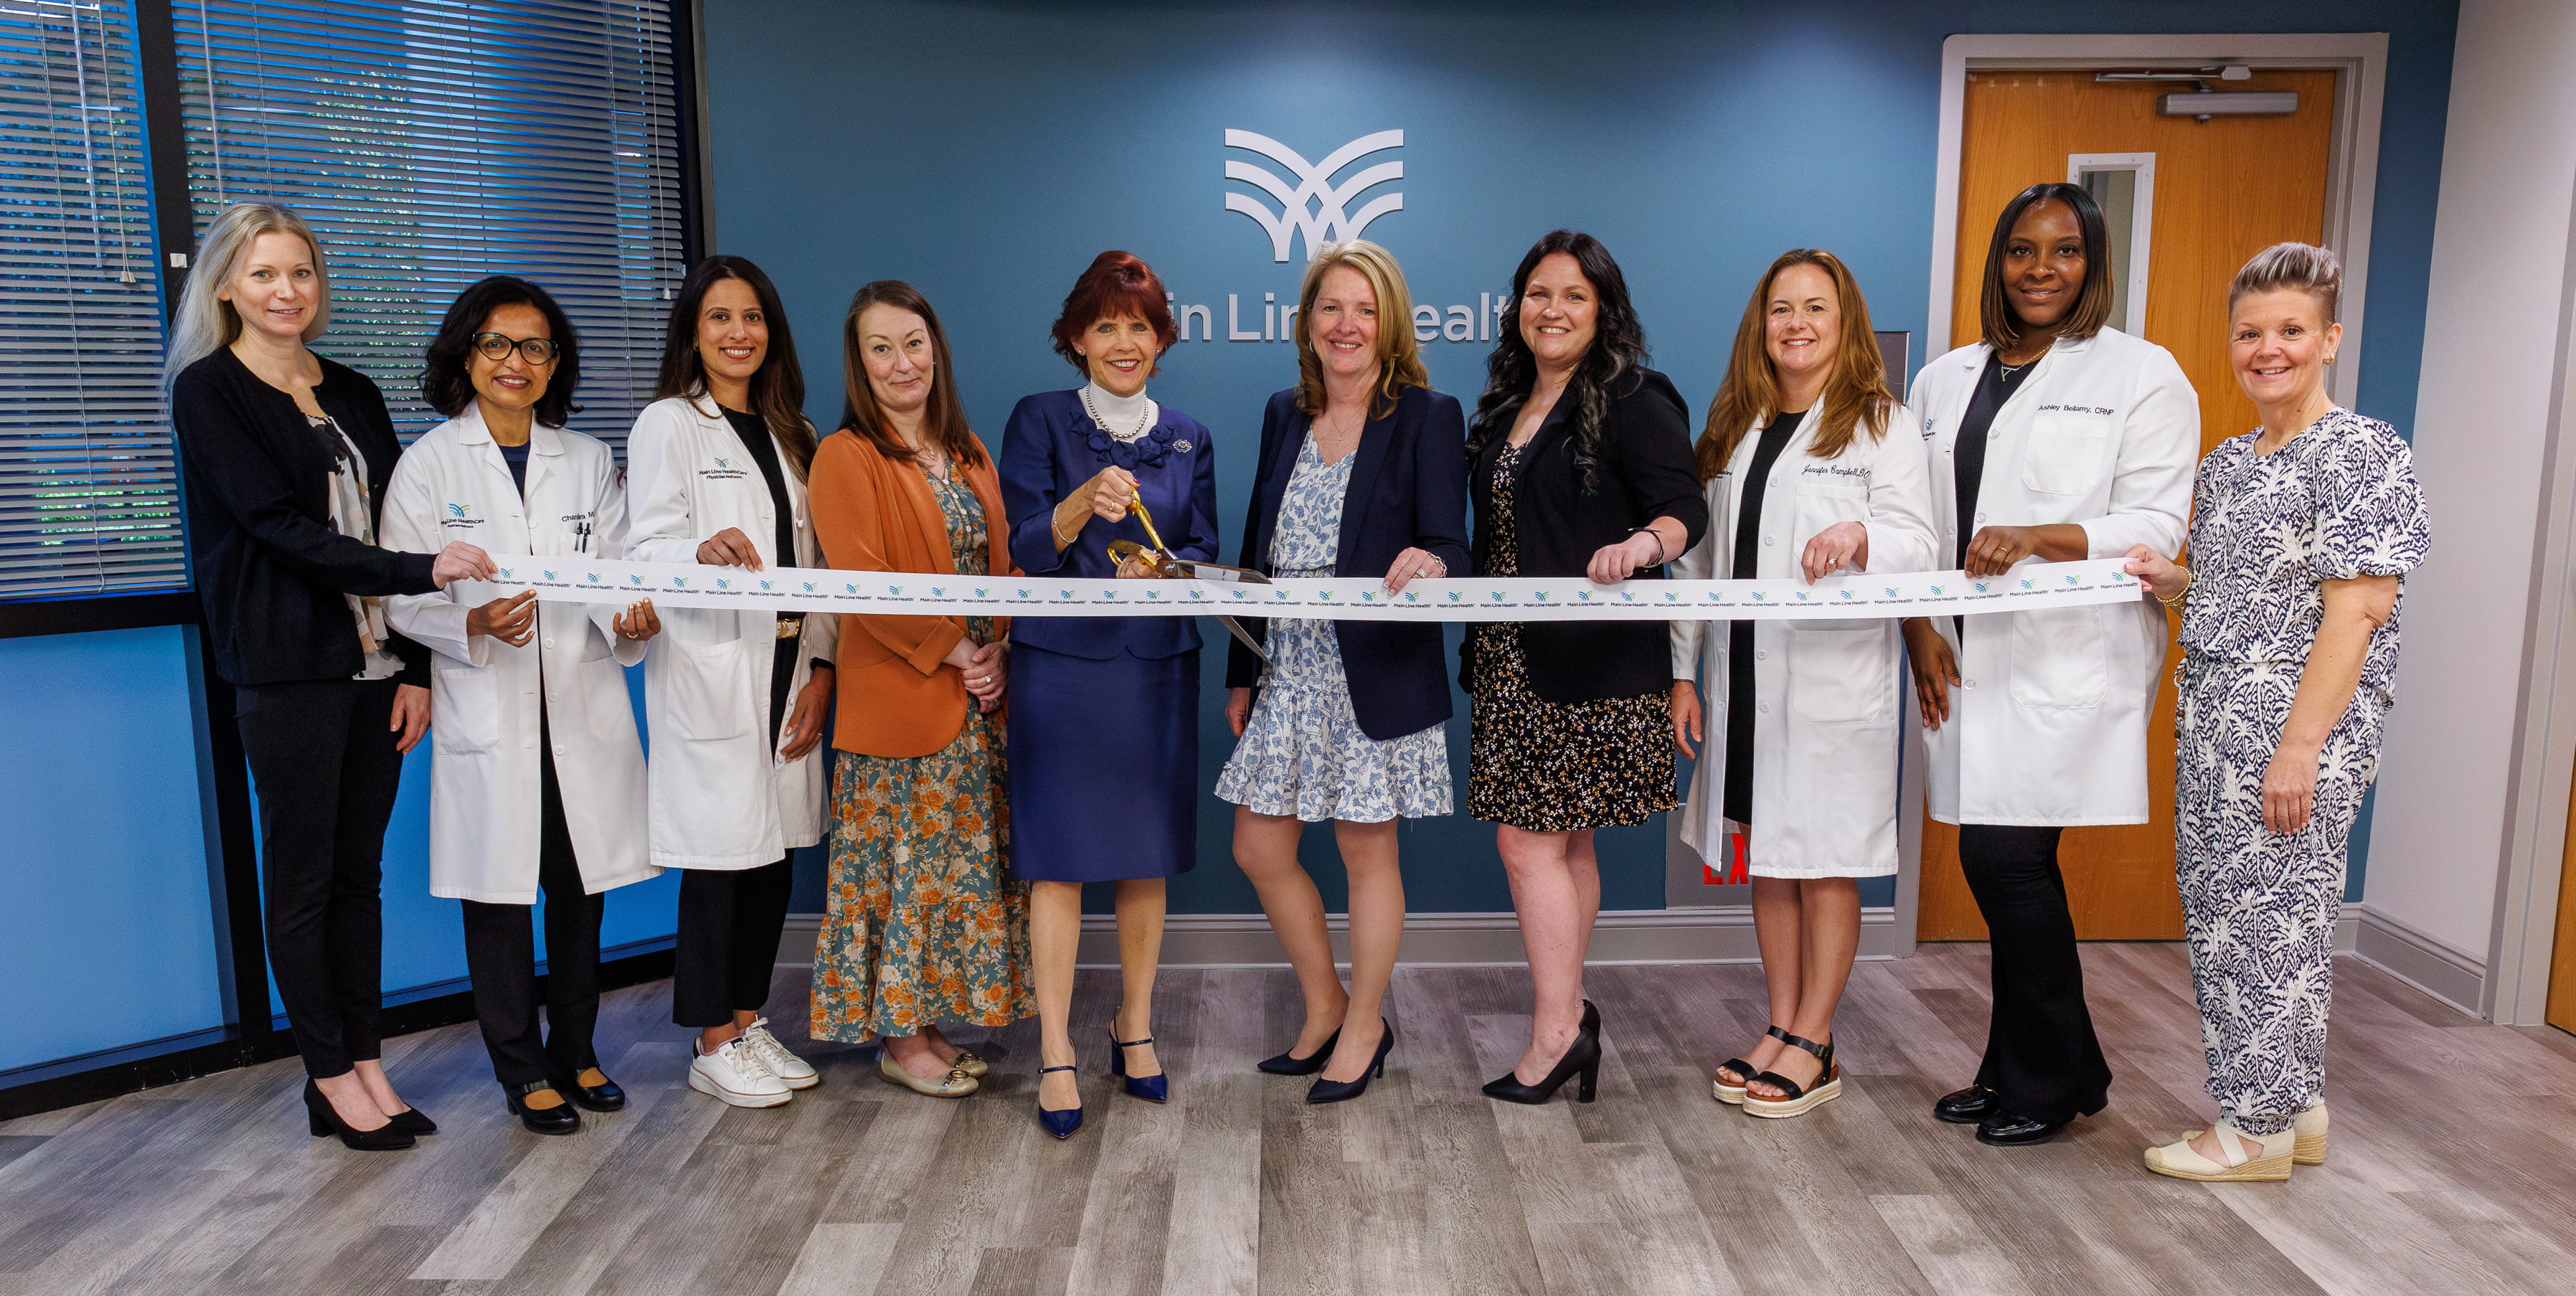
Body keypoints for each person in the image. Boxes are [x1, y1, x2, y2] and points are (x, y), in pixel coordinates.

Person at [167, 200, 494, 1150]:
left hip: (377, 665)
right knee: (304, 879)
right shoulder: (209, 391)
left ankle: (366, 1063)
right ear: (227, 285)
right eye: (264, 274)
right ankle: (327, 1073)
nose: (286, 291)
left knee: (358, 880)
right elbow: (277, 526)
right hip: (289, 670)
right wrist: (420, 574)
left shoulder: (348, 387)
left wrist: (420, 661)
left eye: (301, 272)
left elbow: (401, 524)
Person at [1902, 182, 2197, 1146]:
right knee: (1990, 857)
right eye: (2021, 249)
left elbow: (2155, 523)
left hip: (2066, 655)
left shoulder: (2142, 374)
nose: (2039, 268)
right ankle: (2023, 1063)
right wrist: (1917, 627)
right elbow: (1919, 526)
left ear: (2091, 262)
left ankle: (2054, 1070)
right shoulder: (1943, 379)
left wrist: (2043, 535)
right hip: (1962, 652)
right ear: (1996, 261)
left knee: (2004, 856)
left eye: (2062, 250)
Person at [2126, 244, 2428, 1181]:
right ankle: (2292, 1106)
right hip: (2211, 719)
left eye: (2289, 331)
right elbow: (2240, 587)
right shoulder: (2226, 461)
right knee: (2234, 914)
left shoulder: (2362, 450)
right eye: (2250, 333)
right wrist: (2169, 577)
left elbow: (2357, 605)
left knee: (2264, 918)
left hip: (2293, 730)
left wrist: (2298, 748)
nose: (2267, 349)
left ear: (2327, 337)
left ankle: (2250, 1127)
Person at [379, 276, 662, 1135]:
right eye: (498, 344)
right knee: (498, 901)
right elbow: (397, 591)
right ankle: (519, 1067)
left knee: (581, 894)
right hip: (492, 711)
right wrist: (474, 622)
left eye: (535, 346)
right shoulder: (429, 463)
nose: (516, 361)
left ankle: (576, 1050)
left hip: (580, 705)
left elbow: (617, 572)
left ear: (555, 363)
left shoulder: (584, 460)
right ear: (466, 354)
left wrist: (634, 617)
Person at [1671, 250, 1937, 1118]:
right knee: (1771, 861)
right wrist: (1684, 673)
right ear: (1762, 323)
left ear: (1844, 320)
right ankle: (1780, 1024)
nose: (1797, 323)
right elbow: (1696, 570)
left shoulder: (1883, 424)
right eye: (1782, 308)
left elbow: (1920, 544)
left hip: (1830, 680)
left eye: (1815, 307)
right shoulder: (1733, 425)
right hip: (1744, 677)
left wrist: (1862, 532)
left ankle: (1816, 1041)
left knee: (1825, 863)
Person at [1215, 240, 1469, 1104]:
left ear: (1390, 323)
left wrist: (1433, 563)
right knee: (1259, 843)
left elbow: (1451, 543)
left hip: (1373, 673)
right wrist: (1239, 673)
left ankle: (1365, 1024)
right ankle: (1326, 1001)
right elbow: (1256, 550)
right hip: (1288, 669)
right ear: (1308, 322)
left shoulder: (1429, 416)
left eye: (1364, 309)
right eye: (1331, 307)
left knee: (1368, 851)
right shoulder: (1285, 413)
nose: (1347, 324)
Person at [1463, 230, 1708, 1105]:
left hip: (1595, 664)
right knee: (1563, 843)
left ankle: (1558, 1031)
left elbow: (1685, 507)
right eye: (1539, 293)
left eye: (1573, 295)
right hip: (1509, 659)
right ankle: (1571, 1018)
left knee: (1527, 842)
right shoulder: (1504, 404)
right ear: (1518, 307)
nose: (1553, 310)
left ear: (1603, 308)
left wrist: (1645, 544)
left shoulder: (1635, 394)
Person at [999, 250, 1219, 1137]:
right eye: (1105, 326)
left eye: (1139, 325)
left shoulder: (1190, 433)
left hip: (1156, 667)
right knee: (1055, 860)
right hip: (1058, 671)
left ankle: (1135, 1024)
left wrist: (1173, 567)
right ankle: (1056, 1045)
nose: (1123, 342)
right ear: (1077, 338)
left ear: (1161, 338)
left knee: (1143, 858)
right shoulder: (1040, 420)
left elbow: (1200, 548)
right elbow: (1024, 547)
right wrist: (1084, 501)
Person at [806, 281, 1032, 1101]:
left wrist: (998, 646)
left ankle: (930, 1023)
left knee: (951, 875)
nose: (903, 362)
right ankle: (902, 1038)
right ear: (858, 362)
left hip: (978, 700)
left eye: (914, 342)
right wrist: (955, 650)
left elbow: (1005, 567)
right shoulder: (846, 455)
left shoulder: (968, 448)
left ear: (936, 348)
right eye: (881, 347)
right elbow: (862, 581)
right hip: (901, 700)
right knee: (901, 878)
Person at [626, 256, 839, 1109]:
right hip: (716, 666)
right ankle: (711, 1038)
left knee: (774, 855)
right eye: (719, 318)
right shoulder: (669, 424)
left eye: (752, 317)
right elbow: (641, 551)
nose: (738, 333)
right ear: (694, 331)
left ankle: (747, 1021)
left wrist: (823, 667)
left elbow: (823, 568)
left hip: (789, 661)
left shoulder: (798, 433)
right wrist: (696, 551)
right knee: (720, 861)